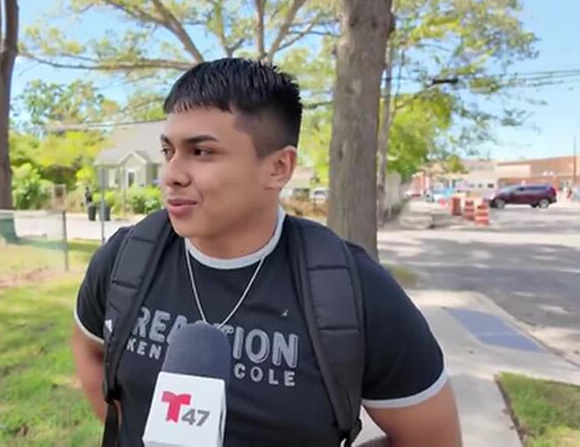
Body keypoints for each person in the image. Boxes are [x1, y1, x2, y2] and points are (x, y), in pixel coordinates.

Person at [72, 58, 461, 446]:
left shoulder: (356, 291)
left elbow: (433, 437)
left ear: (278, 167)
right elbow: (90, 355)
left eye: (201, 152)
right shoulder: (125, 259)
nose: (171, 173)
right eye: (168, 150)